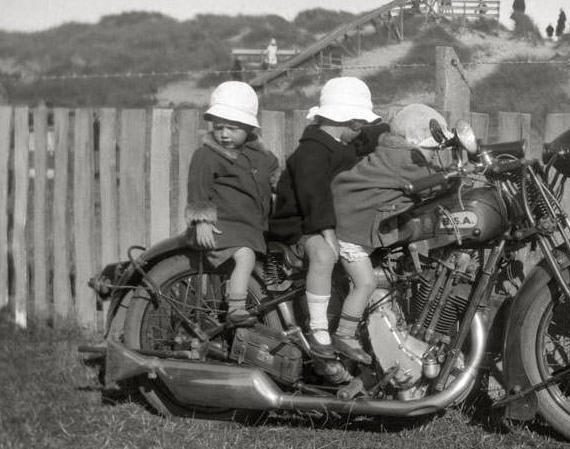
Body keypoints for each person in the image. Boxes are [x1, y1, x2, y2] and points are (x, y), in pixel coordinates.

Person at [269, 77, 388, 361]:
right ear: (352, 123)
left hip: (319, 217)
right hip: (297, 222)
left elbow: (364, 144)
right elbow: (314, 195)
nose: (360, 134)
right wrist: (328, 232)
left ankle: (345, 327)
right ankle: (319, 330)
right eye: (360, 125)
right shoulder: (312, 151)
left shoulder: (334, 142)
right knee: (324, 255)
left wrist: (388, 130)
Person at [330, 104, 451, 363]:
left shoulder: (392, 152)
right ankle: (344, 335)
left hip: (350, 221)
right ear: (413, 142)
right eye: (431, 149)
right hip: (350, 232)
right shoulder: (407, 159)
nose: (433, 155)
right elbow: (433, 181)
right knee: (366, 283)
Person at [185, 81, 279, 327]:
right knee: (245, 257)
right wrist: (201, 222)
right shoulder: (207, 155)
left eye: (233, 128)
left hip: (250, 227)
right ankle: (236, 308)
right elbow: (198, 190)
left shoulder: (261, 155)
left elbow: (276, 177)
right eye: (219, 127)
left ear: (249, 128)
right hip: (222, 227)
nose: (224, 134)